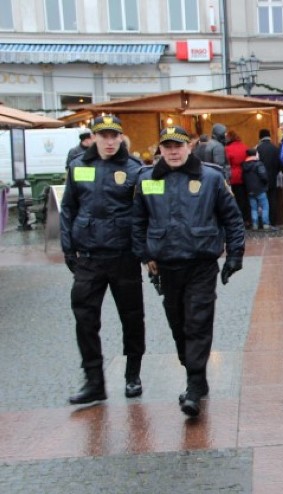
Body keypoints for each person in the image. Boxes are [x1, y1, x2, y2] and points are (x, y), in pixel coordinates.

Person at [132, 126, 245, 417]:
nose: (172, 151)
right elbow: (138, 221)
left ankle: (194, 385)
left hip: (201, 263)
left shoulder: (210, 177)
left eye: (178, 145)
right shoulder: (147, 179)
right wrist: (145, 256)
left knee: (197, 321)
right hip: (167, 265)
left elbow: (231, 218)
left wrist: (235, 255)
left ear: (190, 146)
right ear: (159, 148)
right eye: (166, 146)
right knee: (178, 325)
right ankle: (195, 371)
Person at [61, 115, 145, 404]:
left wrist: (144, 251)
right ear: (93, 137)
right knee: (85, 319)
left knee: (132, 318)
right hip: (89, 256)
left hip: (124, 256)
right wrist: (68, 248)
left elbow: (143, 214)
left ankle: (133, 374)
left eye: (114, 136)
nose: (109, 141)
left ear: (121, 137)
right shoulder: (78, 167)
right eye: (103, 136)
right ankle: (94, 380)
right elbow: (68, 209)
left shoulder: (134, 169)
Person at [256, 128, 281, 226]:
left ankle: (264, 222)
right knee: (272, 199)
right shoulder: (275, 148)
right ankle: (273, 221)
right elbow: (279, 164)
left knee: (262, 200)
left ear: (260, 137)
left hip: (261, 179)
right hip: (273, 177)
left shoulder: (258, 148)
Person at [225, 129, 250, 225]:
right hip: (245, 175)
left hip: (234, 176)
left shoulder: (228, 149)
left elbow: (227, 163)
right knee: (245, 199)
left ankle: (238, 220)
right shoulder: (244, 146)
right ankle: (247, 219)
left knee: (236, 199)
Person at [243, 148, 271, 231]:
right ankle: (265, 224)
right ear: (255, 154)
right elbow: (264, 176)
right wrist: (266, 182)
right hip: (260, 189)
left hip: (249, 189)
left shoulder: (244, 165)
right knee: (265, 206)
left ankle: (255, 224)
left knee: (253, 208)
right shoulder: (259, 164)